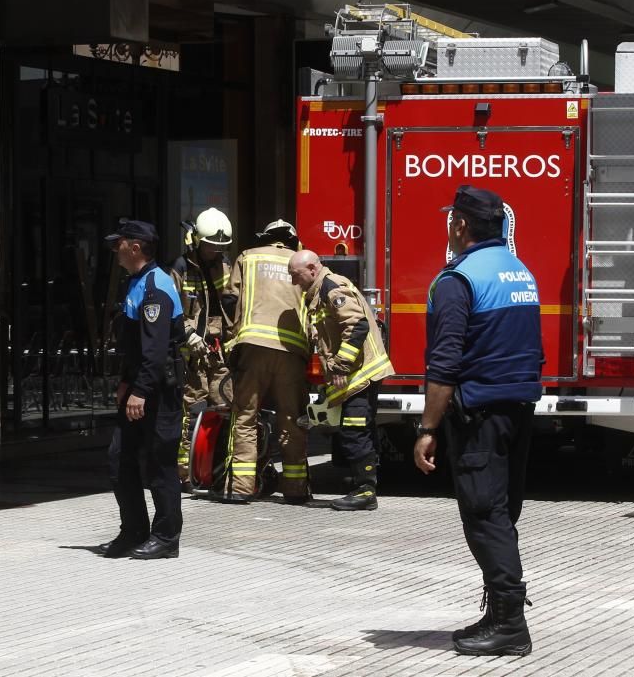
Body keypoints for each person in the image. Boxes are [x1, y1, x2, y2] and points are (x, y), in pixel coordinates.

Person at [413, 185, 542, 656]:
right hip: (519, 411)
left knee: (485, 518)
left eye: (452, 219)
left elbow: (444, 363)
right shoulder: (520, 271)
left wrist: (427, 428)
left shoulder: (457, 280)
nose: (449, 225)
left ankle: (510, 623)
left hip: (480, 415)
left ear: (461, 225)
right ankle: (498, 613)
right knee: (502, 514)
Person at [99, 219, 185, 559]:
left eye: (118, 244)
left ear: (135, 247)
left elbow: (155, 349)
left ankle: (166, 538)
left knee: (160, 464)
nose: (114, 250)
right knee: (120, 459)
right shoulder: (136, 283)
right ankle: (133, 530)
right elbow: (134, 348)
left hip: (158, 392)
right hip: (140, 387)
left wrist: (140, 391)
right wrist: (125, 382)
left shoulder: (155, 288)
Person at [289, 249, 394, 510]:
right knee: (359, 431)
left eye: (296, 275)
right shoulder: (320, 291)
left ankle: (365, 492)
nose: (294, 282)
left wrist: (339, 366)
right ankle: (363, 487)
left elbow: (357, 325)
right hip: (357, 374)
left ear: (312, 269)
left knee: (354, 431)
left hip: (361, 372)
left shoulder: (332, 288)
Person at [218, 220, 310, 504]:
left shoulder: (248, 256)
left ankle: (240, 489)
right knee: (291, 420)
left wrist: (232, 337)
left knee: (245, 417)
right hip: (292, 352)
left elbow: (230, 299)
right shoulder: (302, 262)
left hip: (253, 346)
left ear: (266, 238)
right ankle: (295, 489)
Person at [169, 208, 234, 491]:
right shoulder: (180, 268)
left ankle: (220, 469)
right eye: (210, 246)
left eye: (220, 248)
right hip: (193, 356)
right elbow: (171, 311)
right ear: (196, 240)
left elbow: (231, 305)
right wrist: (188, 335)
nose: (214, 252)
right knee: (191, 412)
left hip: (219, 353)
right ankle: (184, 473)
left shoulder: (225, 266)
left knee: (226, 409)